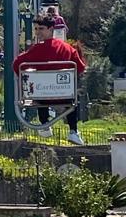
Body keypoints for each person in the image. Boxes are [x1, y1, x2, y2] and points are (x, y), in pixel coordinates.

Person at [13, 14, 86, 144]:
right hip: (63, 94)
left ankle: (44, 123)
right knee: (71, 96)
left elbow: (17, 64)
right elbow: (80, 68)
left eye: (41, 28)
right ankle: (73, 130)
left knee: (38, 88)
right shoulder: (67, 48)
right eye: (36, 29)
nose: (37, 32)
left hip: (42, 96)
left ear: (51, 29)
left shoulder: (35, 50)